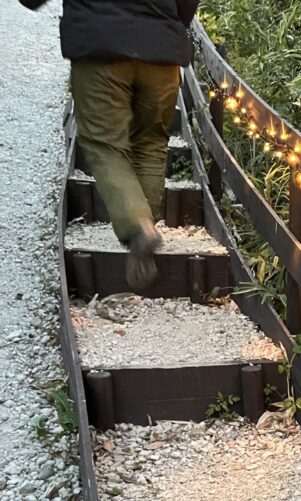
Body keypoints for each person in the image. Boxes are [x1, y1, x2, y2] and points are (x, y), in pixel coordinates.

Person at [21, 0, 199, 291]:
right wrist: (171, 24)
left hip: (99, 45)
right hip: (162, 50)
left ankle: (138, 225)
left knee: (105, 144)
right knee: (152, 142)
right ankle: (145, 228)